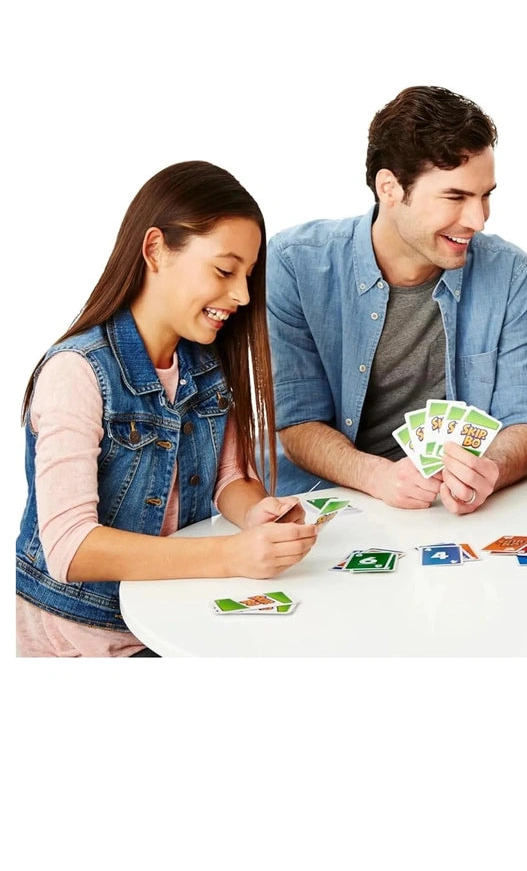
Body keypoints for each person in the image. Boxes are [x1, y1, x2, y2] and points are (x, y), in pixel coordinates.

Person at [16, 162, 318, 657]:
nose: (242, 295)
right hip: (83, 637)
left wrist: (256, 514)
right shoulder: (77, 372)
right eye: (225, 270)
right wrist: (230, 556)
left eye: (247, 275)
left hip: (173, 615)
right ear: (155, 249)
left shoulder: (207, 363)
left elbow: (228, 479)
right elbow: (70, 547)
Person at [267, 85, 527, 513]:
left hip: (453, 515)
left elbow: (522, 415)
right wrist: (378, 477)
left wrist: (488, 469)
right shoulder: (294, 264)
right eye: (455, 197)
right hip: (324, 502)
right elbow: (296, 420)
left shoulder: (509, 271)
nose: (478, 220)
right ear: (390, 189)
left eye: (485, 195)